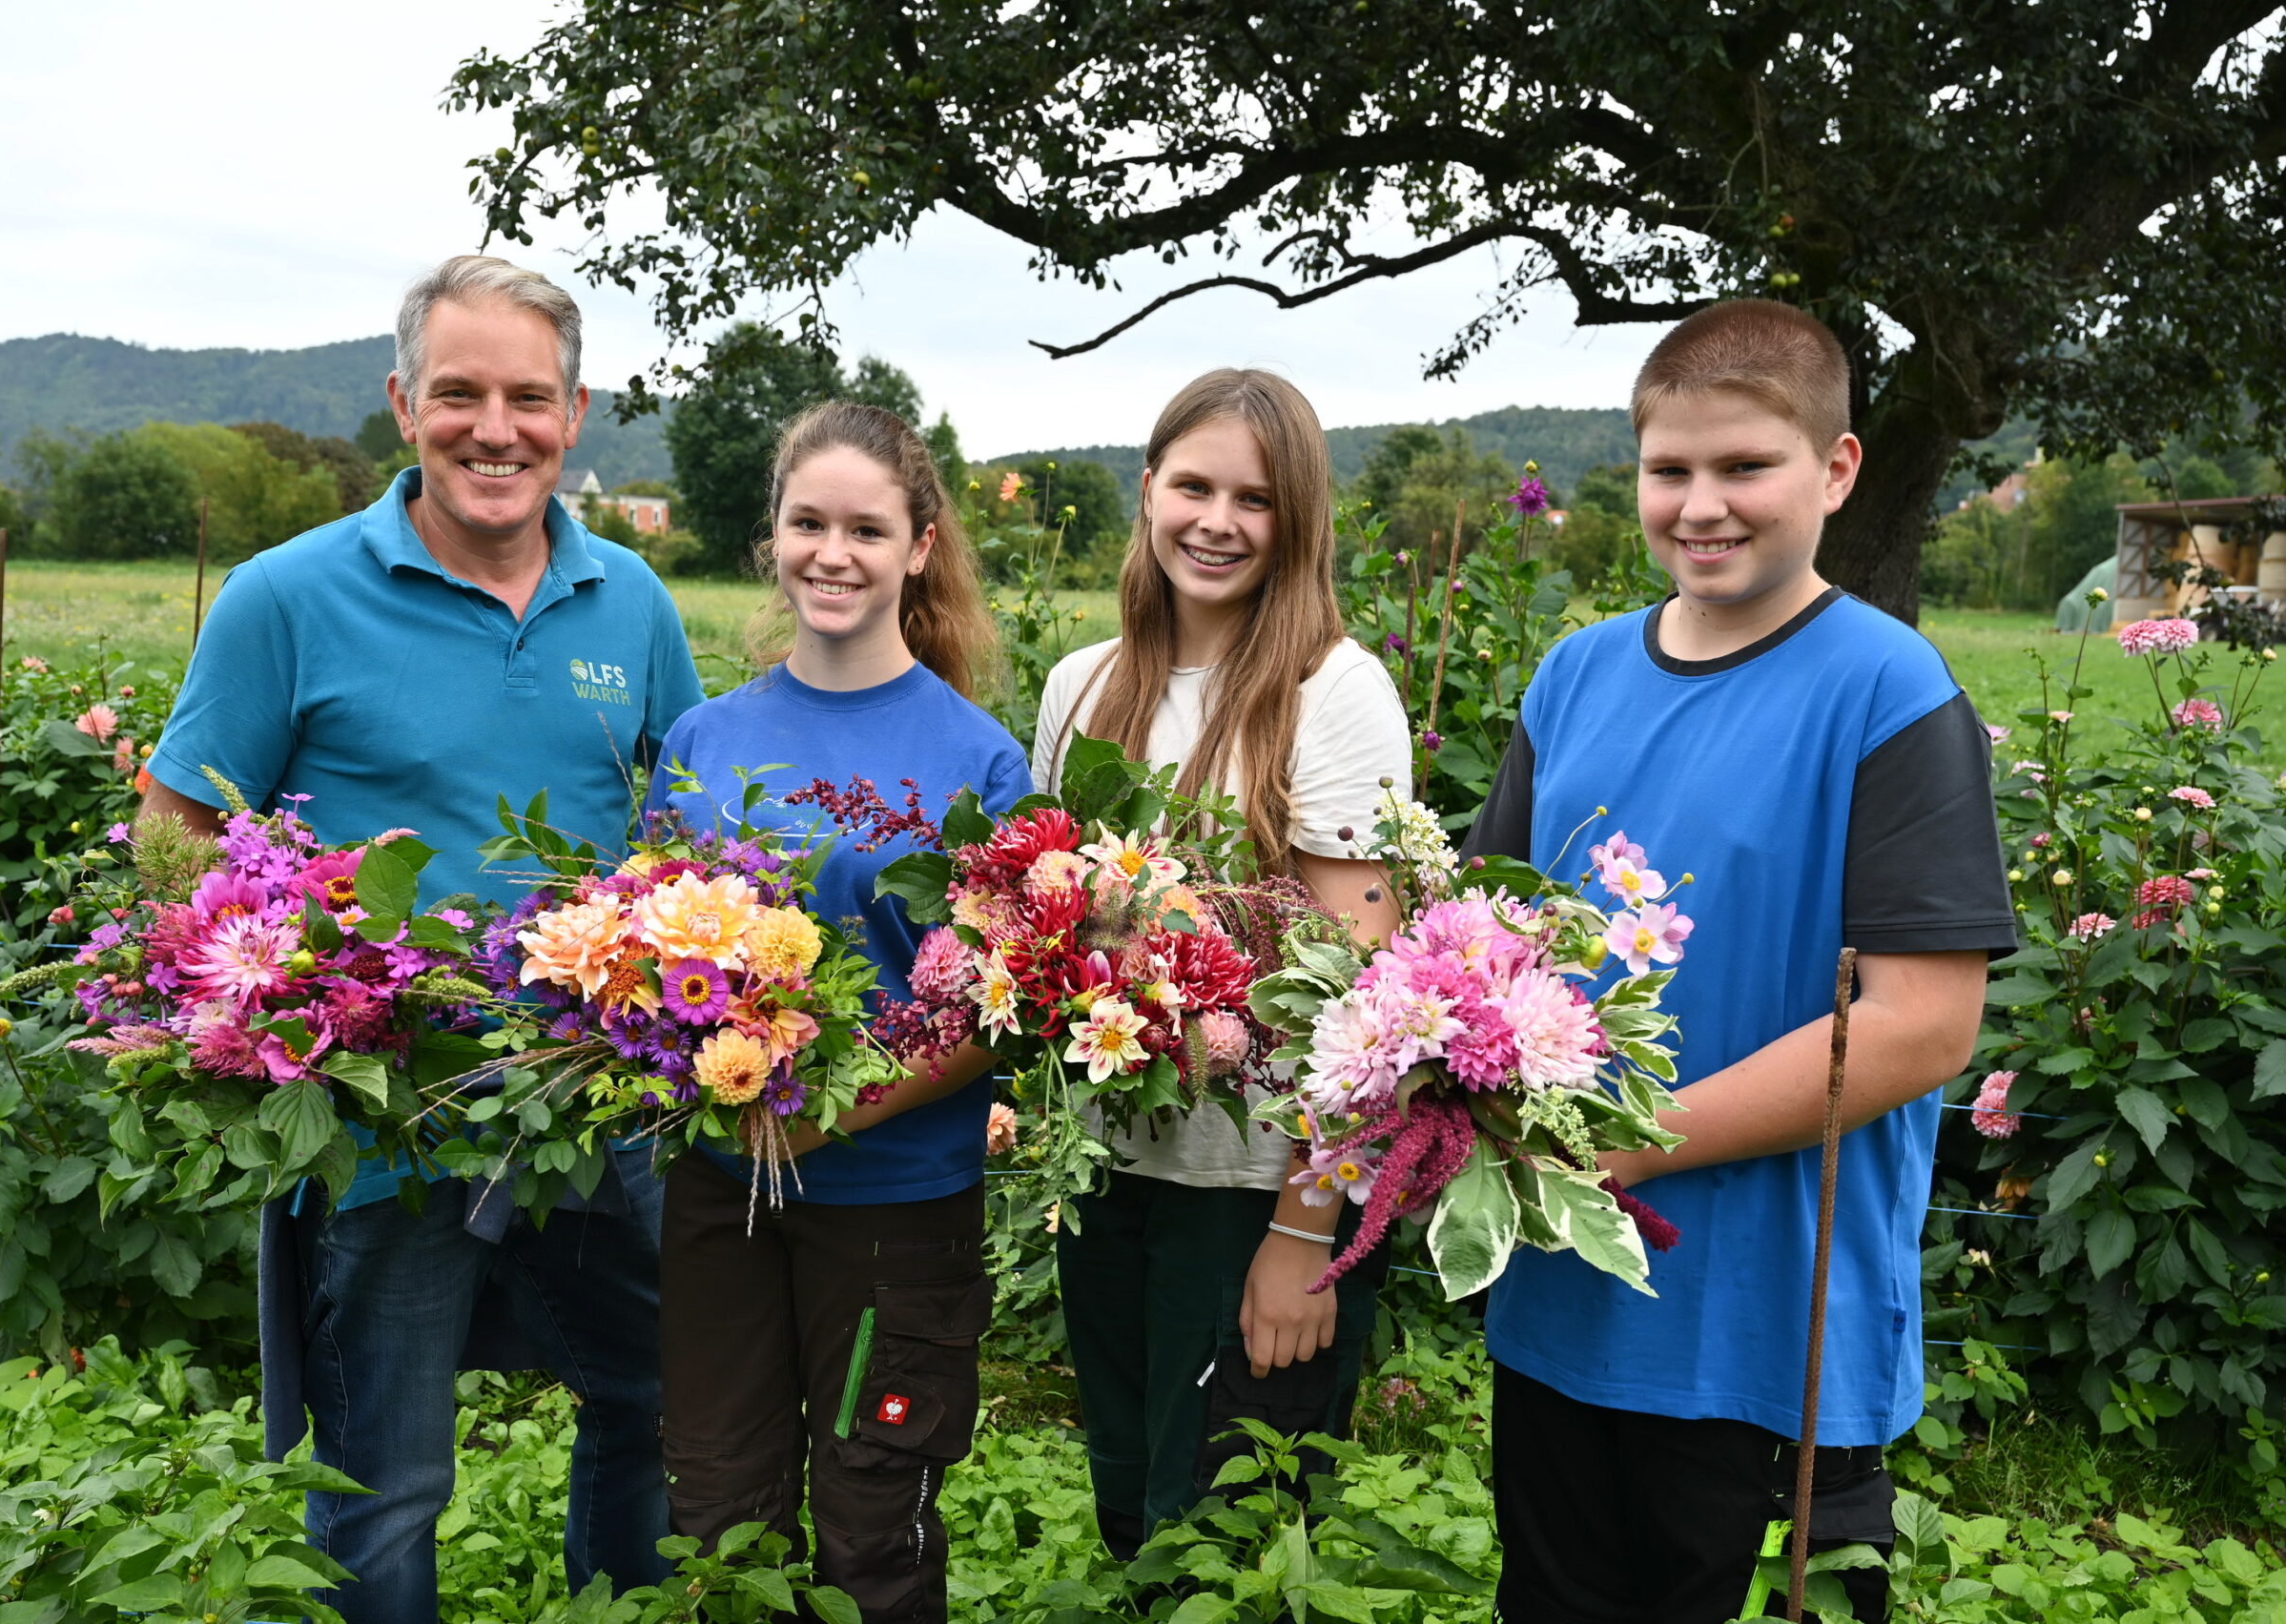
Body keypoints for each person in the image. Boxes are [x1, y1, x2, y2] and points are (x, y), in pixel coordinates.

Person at [141, 255, 706, 1623]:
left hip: (585, 1110)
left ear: (577, 414)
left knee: (656, 1398)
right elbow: (171, 831)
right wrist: (284, 990)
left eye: (528, 396)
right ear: (404, 403)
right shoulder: (288, 595)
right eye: (459, 393)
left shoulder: (628, 601)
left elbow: (684, 830)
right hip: (384, 1126)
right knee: (385, 1474)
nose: (493, 428)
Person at [1460, 299, 2016, 1623]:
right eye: (1670, 470)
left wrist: (1633, 1141)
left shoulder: (1890, 691)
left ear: (1835, 470)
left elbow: (1922, 1025)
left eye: (1744, 467)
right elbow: (1480, 938)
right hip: (1563, 1297)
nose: (1702, 503)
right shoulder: (1574, 676)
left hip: (1769, 1330)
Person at [651, 400, 1031, 1624]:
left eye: (865, 527)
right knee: (717, 1514)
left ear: (919, 545)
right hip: (723, 1197)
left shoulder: (978, 760)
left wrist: (832, 1113)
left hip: (895, 1207)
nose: (833, 551)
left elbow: (999, 1003)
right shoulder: (706, 737)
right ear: (772, 536)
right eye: (807, 521)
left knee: (877, 1526)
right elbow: (646, 961)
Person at [1031, 368, 1411, 1557]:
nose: (1217, 520)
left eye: (1254, 499)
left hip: (1252, 1189)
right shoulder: (1084, 685)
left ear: (1296, 523)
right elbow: (1044, 924)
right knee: (1132, 1513)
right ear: (1146, 491)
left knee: (1226, 1542)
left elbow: (1365, 996)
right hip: (1114, 1169)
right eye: (1192, 485)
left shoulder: (1331, 692)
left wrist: (1308, 1229)